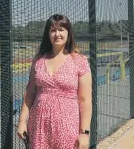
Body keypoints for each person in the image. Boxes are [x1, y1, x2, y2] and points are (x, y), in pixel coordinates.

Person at [17, 14, 92, 149]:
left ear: (68, 33)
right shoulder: (39, 60)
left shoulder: (79, 61)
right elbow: (30, 92)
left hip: (68, 128)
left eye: (61, 29)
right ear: (48, 34)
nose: (57, 34)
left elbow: (85, 100)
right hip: (39, 127)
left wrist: (84, 132)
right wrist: (22, 121)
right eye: (53, 30)